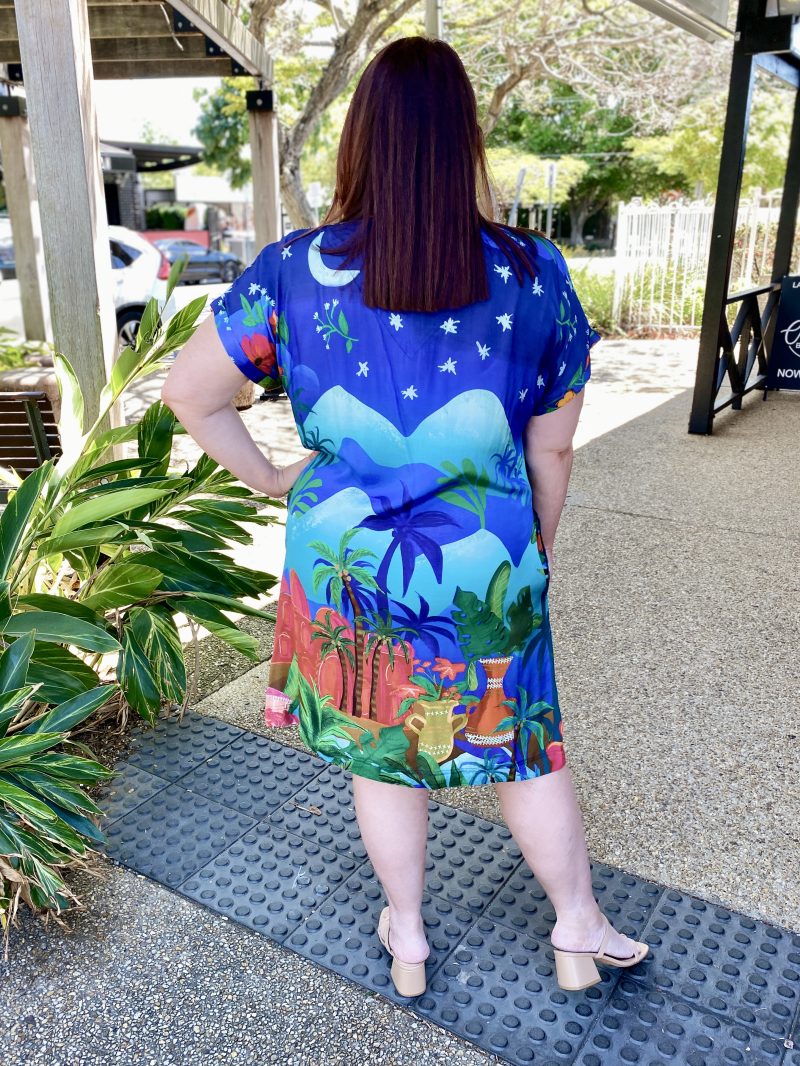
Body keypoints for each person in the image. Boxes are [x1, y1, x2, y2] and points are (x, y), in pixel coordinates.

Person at [161, 36, 648, 999]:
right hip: (486, 557)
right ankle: (577, 927)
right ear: (464, 140)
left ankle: (411, 938)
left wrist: (272, 478)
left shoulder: (292, 271)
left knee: (384, 750)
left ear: (362, 140)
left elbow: (190, 394)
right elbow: (552, 450)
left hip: (346, 561)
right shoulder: (535, 271)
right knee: (523, 742)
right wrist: (535, 551)